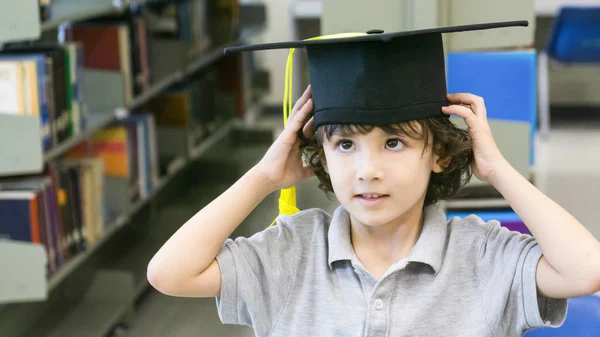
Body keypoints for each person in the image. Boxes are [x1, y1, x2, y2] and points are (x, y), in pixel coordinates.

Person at [146, 20, 600, 336]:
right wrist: (264, 177)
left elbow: (587, 270)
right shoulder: (292, 252)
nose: (368, 170)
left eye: (394, 143)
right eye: (345, 145)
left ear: (439, 153)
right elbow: (169, 273)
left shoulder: (483, 256)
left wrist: (498, 170)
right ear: (320, 155)